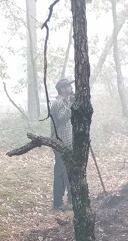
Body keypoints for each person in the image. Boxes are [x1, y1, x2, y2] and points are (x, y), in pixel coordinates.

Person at [49, 78, 74, 210]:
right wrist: (71, 104)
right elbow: (62, 118)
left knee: (69, 172)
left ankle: (71, 200)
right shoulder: (58, 103)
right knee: (60, 173)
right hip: (60, 144)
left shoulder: (65, 102)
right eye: (69, 86)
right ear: (63, 89)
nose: (71, 88)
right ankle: (58, 203)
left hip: (68, 143)